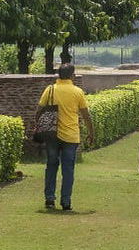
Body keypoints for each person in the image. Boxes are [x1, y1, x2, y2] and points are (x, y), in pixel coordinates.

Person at [35, 63, 96, 211]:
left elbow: (39, 110)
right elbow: (85, 114)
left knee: (51, 166)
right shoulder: (77, 92)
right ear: (72, 76)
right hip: (71, 135)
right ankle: (66, 201)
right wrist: (91, 132)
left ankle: (49, 199)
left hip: (51, 134)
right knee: (68, 170)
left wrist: (39, 126)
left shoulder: (50, 90)